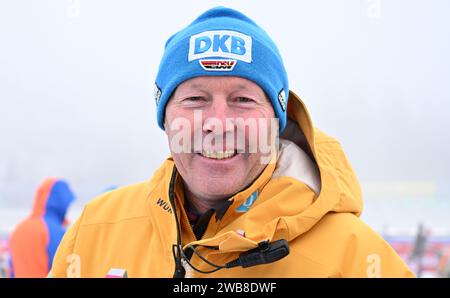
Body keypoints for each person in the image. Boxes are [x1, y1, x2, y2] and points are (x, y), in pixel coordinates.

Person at [49, 7, 414, 277]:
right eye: (195, 99)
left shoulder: (356, 258)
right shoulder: (94, 231)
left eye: (242, 100)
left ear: (275, 121)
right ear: (165, 117)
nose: (218, 124)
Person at [9, 178, 75, 277]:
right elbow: (64, 270)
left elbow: (12, 268)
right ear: (61, 204)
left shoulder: (19, 228)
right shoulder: (54, 231)